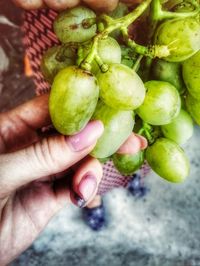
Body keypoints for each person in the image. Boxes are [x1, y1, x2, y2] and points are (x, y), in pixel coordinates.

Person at [0, 1, 147, 264]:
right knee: (81, 138)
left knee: (133, 135)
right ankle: (92, 199)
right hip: (69, 35)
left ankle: (132, 177)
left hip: (140, 30)